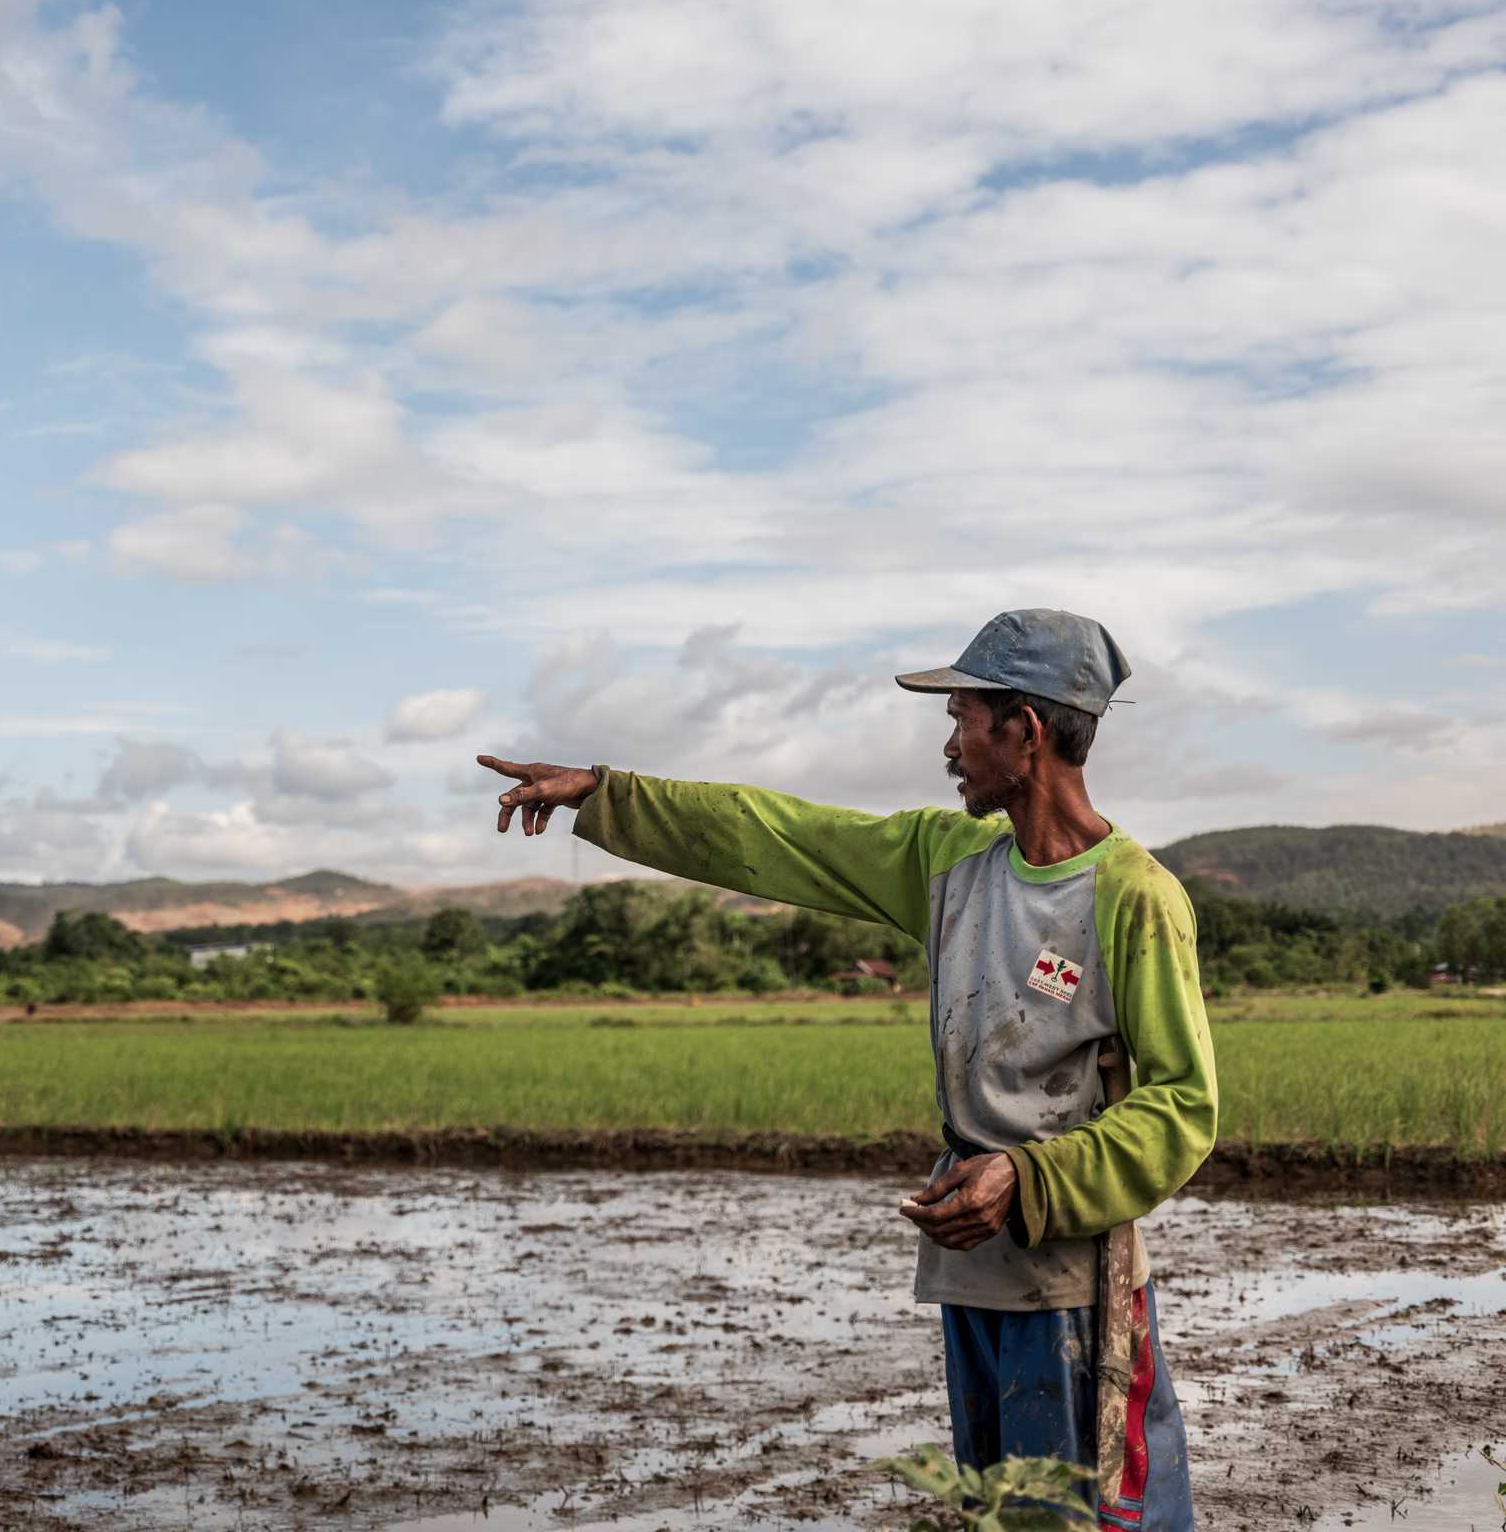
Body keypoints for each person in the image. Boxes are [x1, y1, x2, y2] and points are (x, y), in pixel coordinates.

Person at [479, 608, 1214, 1531]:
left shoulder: (1135, 897)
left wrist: (1026, 1176)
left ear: (1023, 732)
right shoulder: (950, 861)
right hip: (971, 1255)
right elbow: (781, 835)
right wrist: (606, 793)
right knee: (999, 1512)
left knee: (1094, 1514)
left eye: (962, 719)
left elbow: (1182, 1109)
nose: (950, 745)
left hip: (1071, 1272)